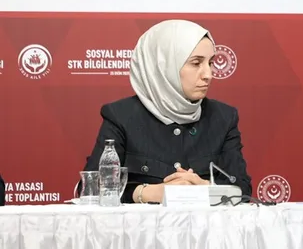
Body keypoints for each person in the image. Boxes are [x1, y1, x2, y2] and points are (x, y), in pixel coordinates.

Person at [82, 20, 252, 203]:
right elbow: (93, 189)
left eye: (210, 63)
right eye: (196, 63)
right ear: (164, 66)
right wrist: (149, 193)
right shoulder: (121, 116)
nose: (208, 74)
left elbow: (242, 189)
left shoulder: (223, 117)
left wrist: (206, 187)